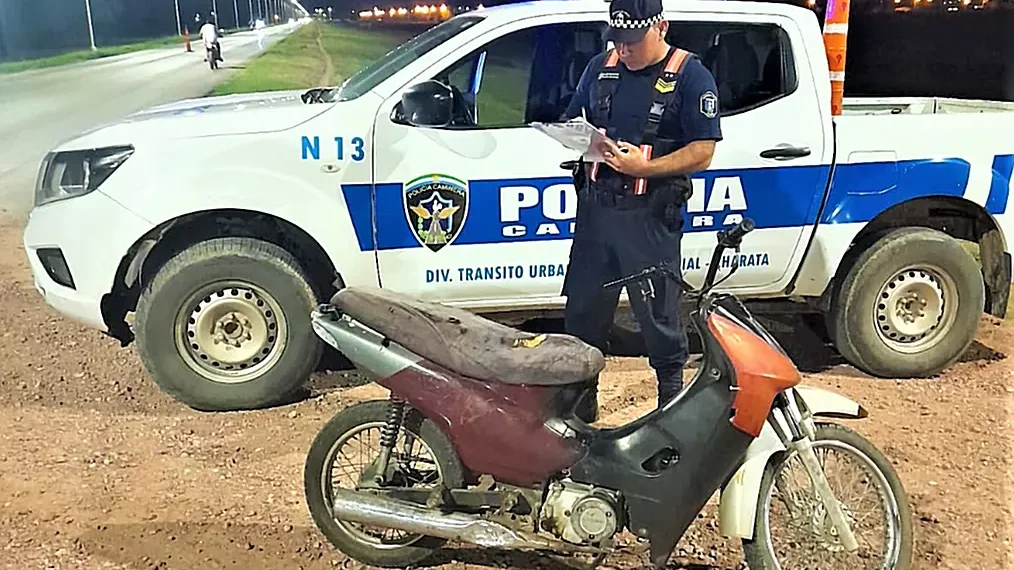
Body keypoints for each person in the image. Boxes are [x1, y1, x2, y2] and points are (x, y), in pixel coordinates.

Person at [559, 0, 722, 422]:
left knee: (658, 316)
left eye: (633, 40)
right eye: (618, 39)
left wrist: (645, 167)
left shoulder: (690, 76)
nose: (624, 48)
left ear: (662, 27)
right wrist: (576, 137)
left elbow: (703, 150)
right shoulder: (601, 66)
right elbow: (577, 116)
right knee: (584, 311)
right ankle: (582, 405)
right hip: (596, 213)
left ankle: (671, 409)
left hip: (649, 215)